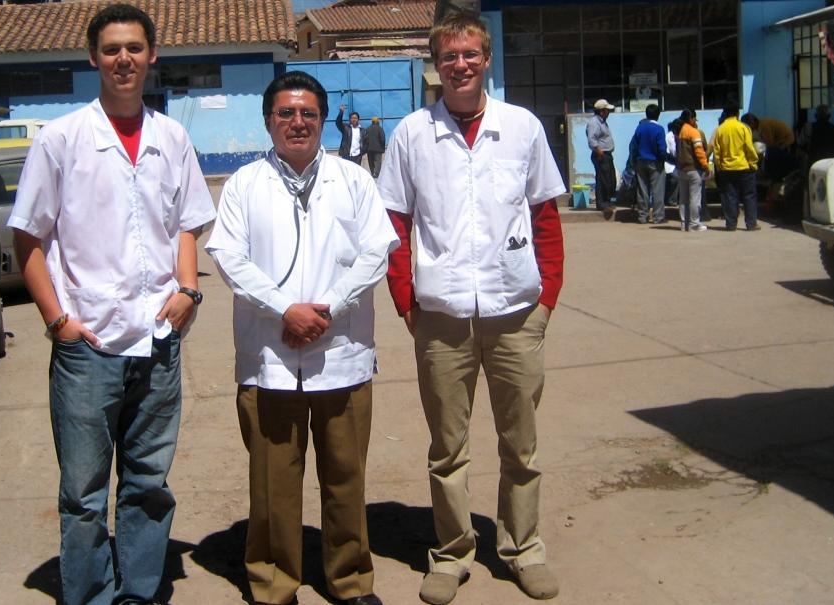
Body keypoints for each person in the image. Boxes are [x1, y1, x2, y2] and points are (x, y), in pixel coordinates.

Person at [7, 5, 216, 604]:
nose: (123, 59)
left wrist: (187, 291)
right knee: (83, 491)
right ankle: (91, 595)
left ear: (153, 56)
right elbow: (28, 236)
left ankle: (140, 592)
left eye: (133, 48)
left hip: (156, 340)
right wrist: (57, 321)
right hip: (88, 346)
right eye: (110, 49)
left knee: (149, 483)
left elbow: (185, 224)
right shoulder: (61, 139)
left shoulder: (171, 137)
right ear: (93, 57)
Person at [377, 12, 565, 605]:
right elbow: (395, 225)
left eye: (471, 54)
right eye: (449, 55)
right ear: (437, 64)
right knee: (447, 446)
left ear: (487, 59)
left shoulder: (522, 128)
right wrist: (407, 300)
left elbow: (544, 218)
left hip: (515, 311)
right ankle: (451, 553)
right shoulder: (412, 134)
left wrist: (547, 299)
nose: (460, 64)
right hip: (441, 317)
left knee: (521, 444)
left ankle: (522, 547)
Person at [206, 70, 398, 605]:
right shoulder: (245, 184)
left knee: (346, 478)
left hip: (343, 354)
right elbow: (228, 257)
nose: (297, 122)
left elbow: (377, 251)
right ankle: (273, 583)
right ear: (269, 121)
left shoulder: (354, 180)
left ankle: (351, 580)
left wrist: (326, 309)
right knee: (273, 485)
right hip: (268, 358)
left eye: (307, 113)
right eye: (286, 113)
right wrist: (284, 309)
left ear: (323, 119)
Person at [712, 101, 760, 231]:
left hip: (726, 169)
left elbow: (717, 151)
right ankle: (751, 224)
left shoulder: (720, 129)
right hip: (744, 167)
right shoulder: (743, 128)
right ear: (737, 113)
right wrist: (753, 163)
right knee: (749, 196)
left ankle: (731, 224)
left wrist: (720, 165)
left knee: (730, 196)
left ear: (725, 113)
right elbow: (749, 148)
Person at [630, 104, 668, 224]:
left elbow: (634, 146)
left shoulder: (640, 128)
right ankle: (658, 217)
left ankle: (642, 216)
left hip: (641, 161)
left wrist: (634, 160)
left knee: (642, 190)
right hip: (655, 162)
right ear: (658, 115)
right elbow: (662, 148)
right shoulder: (659, 129)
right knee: (657, 190)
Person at [676, 108, 710, 232]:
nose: (696, 121)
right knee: (694, 198)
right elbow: (699, 151)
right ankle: (694, 224)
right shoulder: (693, 132)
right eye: (695, 118)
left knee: (683, 199)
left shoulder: (680, 132)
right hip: (693, 169)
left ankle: (684, 223)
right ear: (691, 119)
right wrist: (705, 166)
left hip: (681, 170)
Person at [587, 98, 617, 220]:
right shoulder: (594, 122)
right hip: (601, 154)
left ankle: (607, 201)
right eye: (606, 110)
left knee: (609, 179)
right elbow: (592, 140)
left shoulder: (602, 122)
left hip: (606, 154)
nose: (608, 112)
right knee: (603, 179)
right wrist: (600, 153)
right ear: (601, 111)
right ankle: (602, 203)